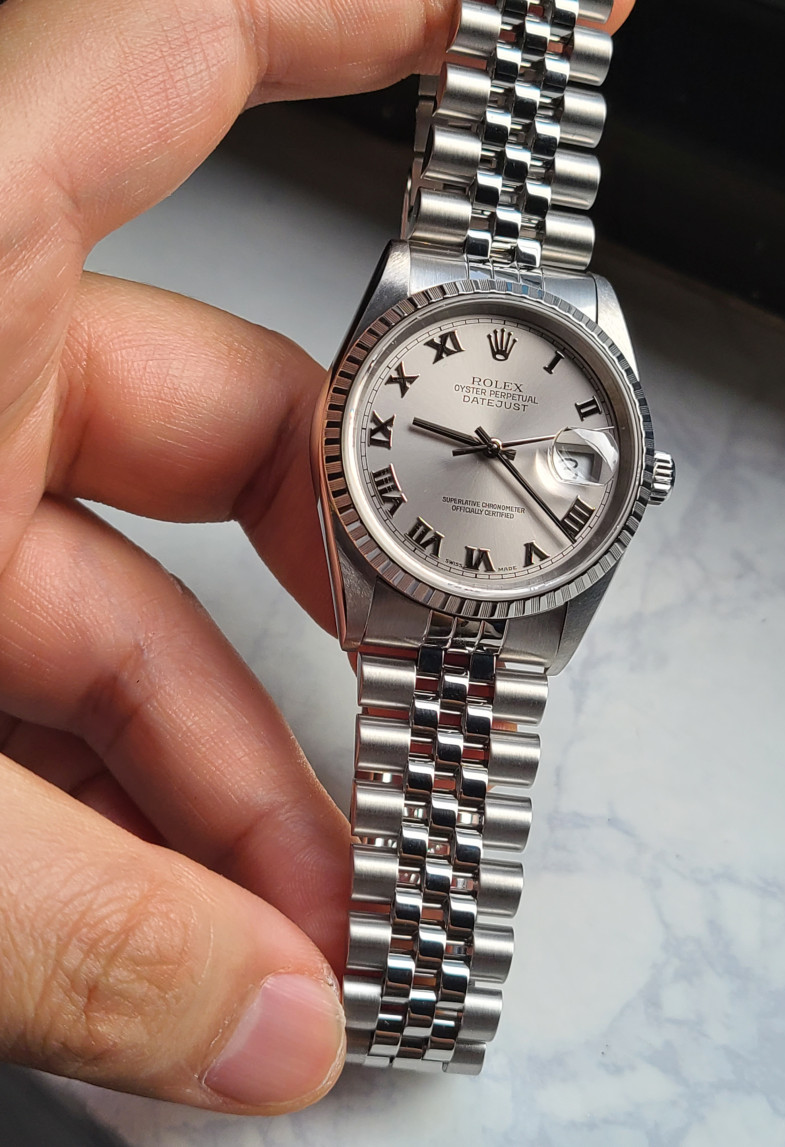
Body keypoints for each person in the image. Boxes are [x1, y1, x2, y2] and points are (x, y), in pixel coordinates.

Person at [0, 0, 636, 1116]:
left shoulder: (563, 334)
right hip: (448, 574)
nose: (491, 444)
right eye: (479, 437)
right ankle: (414, 1007)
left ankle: (421, 1006)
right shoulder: (408, 323)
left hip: (509, 586)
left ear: (637, 475)